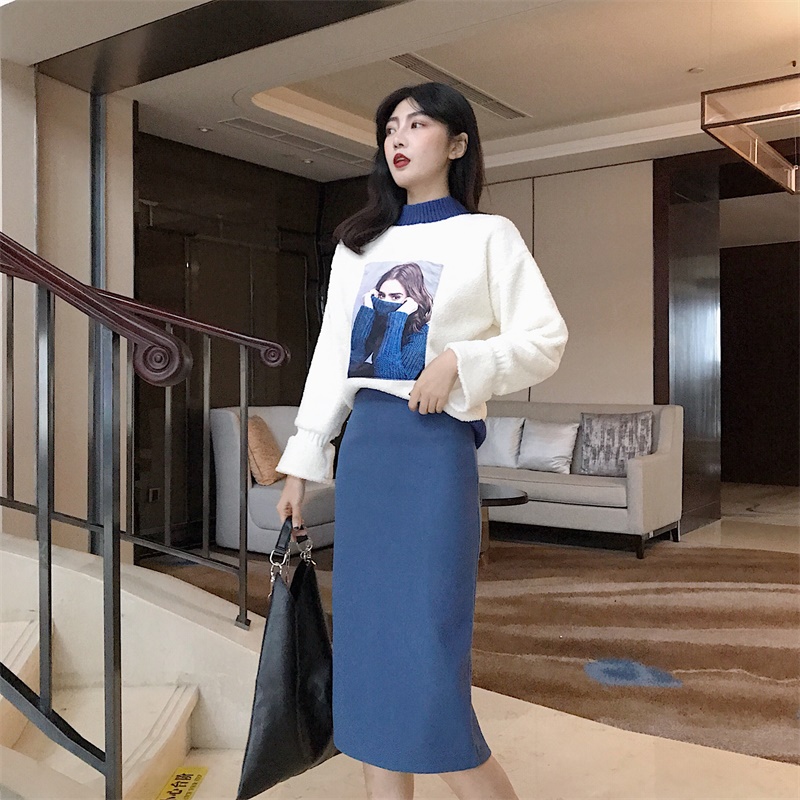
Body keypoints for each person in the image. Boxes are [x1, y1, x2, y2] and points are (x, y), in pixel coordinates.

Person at [276, 81, 568, 800]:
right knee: (369, 658)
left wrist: (462, 362)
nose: (398, 138)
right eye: (390, 128)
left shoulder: (489, 236)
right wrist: (301, 462)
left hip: (434, 455)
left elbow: (544, 340)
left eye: (417, 124)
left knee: (428, 657)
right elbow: (331, 360)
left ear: (457, 143)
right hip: (368, 453)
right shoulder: (358, 246)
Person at [349, 262, 433, 380]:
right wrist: (367, 309)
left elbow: (389, 378)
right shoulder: (381, 322)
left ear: (412, 300)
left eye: (395, 297)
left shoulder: (421, 333)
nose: (386, 302)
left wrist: (399, 317)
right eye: (381, 295)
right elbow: (350, 365)